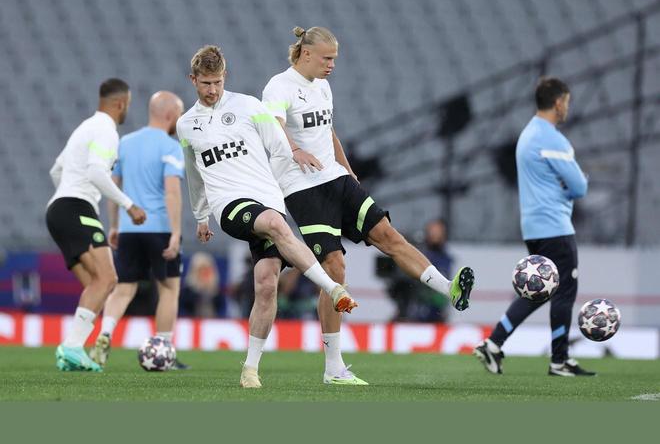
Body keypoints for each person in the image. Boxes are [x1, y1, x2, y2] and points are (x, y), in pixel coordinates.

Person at [262, 26, 475, 384]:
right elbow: (273, 123)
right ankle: (333, 368)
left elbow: (328, 131)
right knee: (335, 268)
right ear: (306, 54)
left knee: (389, 235)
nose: (332, 65)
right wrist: (295, 150)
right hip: (302, 187)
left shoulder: (323, 86)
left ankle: (449, 288)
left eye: (334, 59)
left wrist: (347, 169)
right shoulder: (279, 86)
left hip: (336, 178)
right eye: (327, 58)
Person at [177, 44, 359, 390]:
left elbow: (279, 146)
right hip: (229, 205)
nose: (212, 90)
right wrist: (201, 216)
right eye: (205, 83)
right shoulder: (186, 125)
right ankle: (333, 288)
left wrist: (284, 173)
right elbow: (194, 173)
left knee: (265, 285)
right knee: (276, 226)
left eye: (217, 82)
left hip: (266, 200)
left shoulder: (249, 106)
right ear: (193, 80)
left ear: (225, 77)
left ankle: (250, 369)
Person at [474, 76, 594, 377]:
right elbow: (579, 187)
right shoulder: (552, 139)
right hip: (555, 225)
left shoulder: (528, 134)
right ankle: (559, 360)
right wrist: (573, 183)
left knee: (539, 291)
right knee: (564, 291)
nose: (567, 107)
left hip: (533, 226)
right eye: (567, 102)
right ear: (558, 102)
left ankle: (493, 343)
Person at [45, 78, 146, 371]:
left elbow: (56, 170)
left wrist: (67, 196)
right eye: (128, 104)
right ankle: (72, 347)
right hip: (76, 207)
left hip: (58, 209)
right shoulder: (106, 131)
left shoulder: (85, 127)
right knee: (108, 279)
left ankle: (71, 352)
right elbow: (96, 173)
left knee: (95, 284)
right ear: (121, 103)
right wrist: (129, 205)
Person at [89, 91, 187, 369]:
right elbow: (172, 192)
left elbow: (114, 188)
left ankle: (105, 334)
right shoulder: (170, 147)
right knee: (168, 289)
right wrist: (176, 232)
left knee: (123, 289)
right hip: (160, 228)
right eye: (179, 114)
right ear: (170, 114)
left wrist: (115, 225)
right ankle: (164, 350)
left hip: (129, 227)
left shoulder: (125, 143)